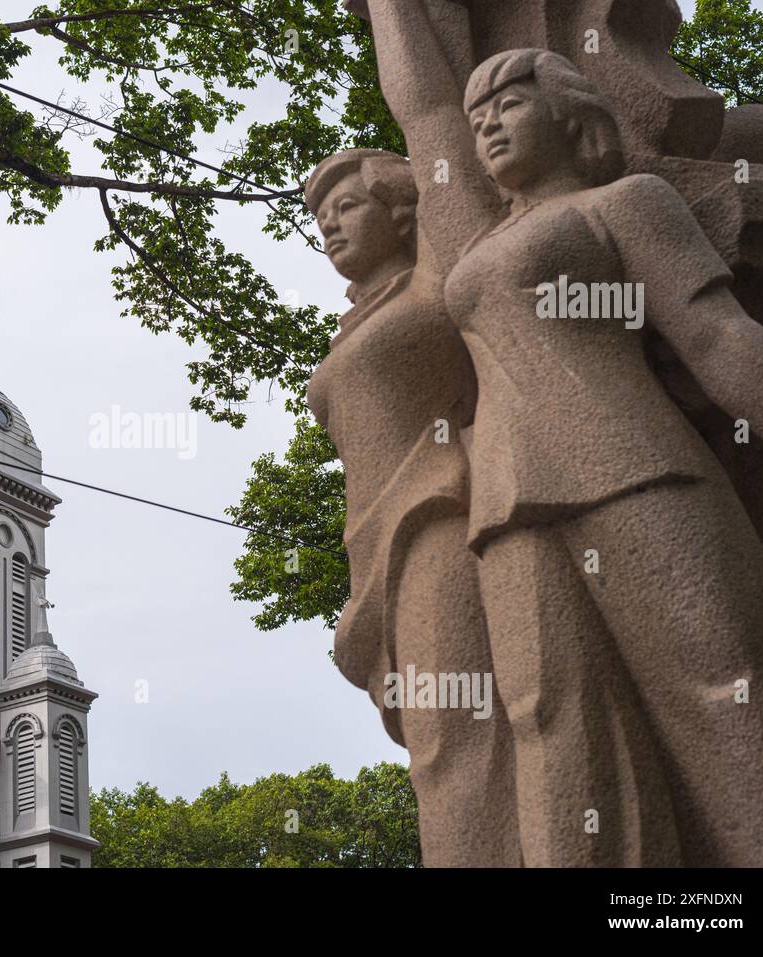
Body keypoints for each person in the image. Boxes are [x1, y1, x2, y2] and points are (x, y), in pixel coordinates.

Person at [364, 0, 763, 865]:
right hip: (510, 510)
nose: (484, 126)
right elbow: (427, 110)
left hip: (639, 473)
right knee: (551, 717)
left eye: (509, 106)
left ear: (572, 112)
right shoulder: (477, 240)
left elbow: (719, 339)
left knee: (724, 690)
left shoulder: (628, 204)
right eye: (479, 115)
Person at [306, 148, 519, 866]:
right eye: (319, 219)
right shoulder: (357, 322)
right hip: (377, 553)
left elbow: (440, 142)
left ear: (404, 214)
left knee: (455, 735)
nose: (328, 229)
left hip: (438, 520)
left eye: (348, 209)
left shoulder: (437, 283)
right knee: (436, 739)